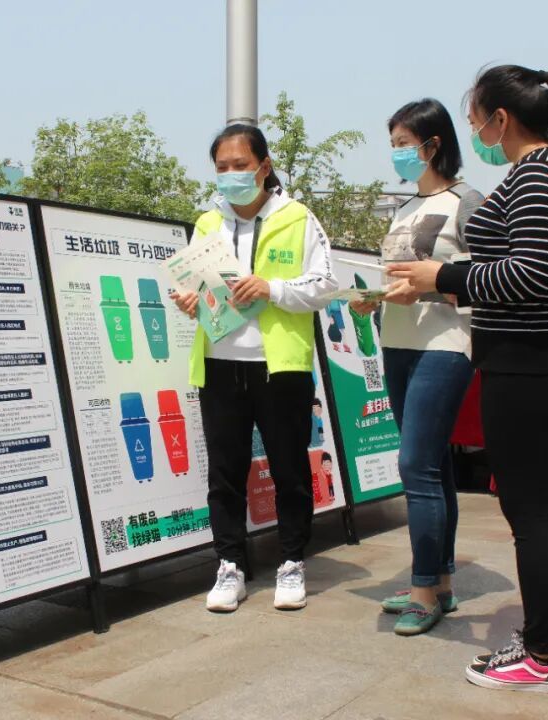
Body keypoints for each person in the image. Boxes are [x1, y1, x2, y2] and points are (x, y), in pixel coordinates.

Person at [390, 65, 548, 693]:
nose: (475, 131)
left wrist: (442, 277)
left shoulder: (538, 173)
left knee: (532, 515)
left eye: (477, 118)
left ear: (501, 119)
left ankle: (543, 656)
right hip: (525, 356)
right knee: (529, 511)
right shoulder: (544, 170)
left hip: (533, 359)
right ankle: (540, 641)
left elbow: (529, 274)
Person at [170, 124, 336, 613]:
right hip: (219, 364)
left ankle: (291, 561)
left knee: (289, 470)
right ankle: (230, 566)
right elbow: (198, 288)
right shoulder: (207, 223)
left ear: (264, 167)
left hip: (278, 367)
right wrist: (189, 301)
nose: (231, 175)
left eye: (240, 165)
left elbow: (326, 286)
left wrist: (272, 289)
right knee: (224, 474)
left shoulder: (298, 218)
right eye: (222, 167)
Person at [350, 98, 483, 637]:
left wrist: (427, 292)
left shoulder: (468, 202)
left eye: (404, 144)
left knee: (414, 465)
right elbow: (401, 278)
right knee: (433, 465)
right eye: (393, 145)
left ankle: (423, 589)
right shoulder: (403, 209)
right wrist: (375, 299)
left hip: (445, 345)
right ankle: (440, 582)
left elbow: (484, 282)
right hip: (399, 343)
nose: (397, 153)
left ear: (433, 144)